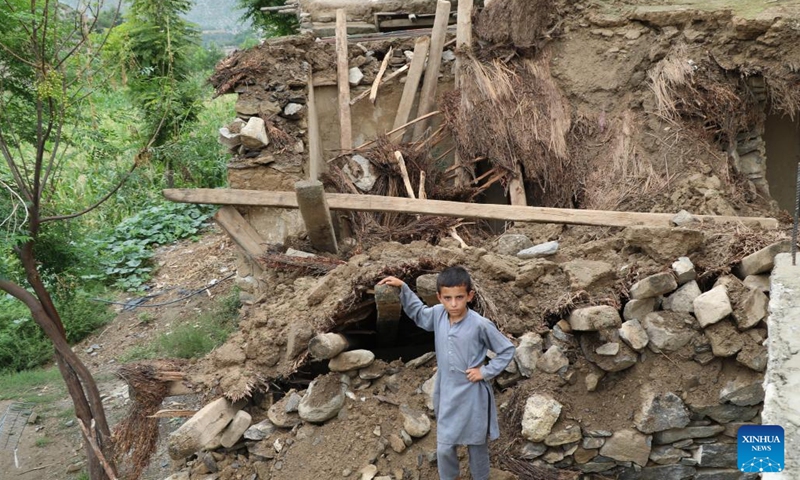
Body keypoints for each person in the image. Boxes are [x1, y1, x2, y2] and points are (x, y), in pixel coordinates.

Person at [379, 266, 515, 480]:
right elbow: (419, 313)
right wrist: (404, 288)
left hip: (472, 394)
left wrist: (485, 371)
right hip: (446, 392)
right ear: (439, 297)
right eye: (448, 298)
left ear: (469, 296)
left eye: (459, 297)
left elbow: (507, 349)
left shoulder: (480, 325)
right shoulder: (438, 314)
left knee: (476, 446)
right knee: (444, 447)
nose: (453, 304)